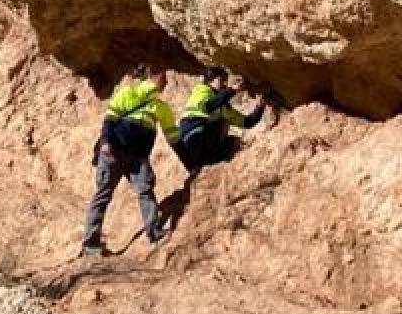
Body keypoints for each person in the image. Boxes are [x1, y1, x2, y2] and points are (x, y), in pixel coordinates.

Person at [81, 65, 179, 256]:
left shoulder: (161, 107)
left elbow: (174, 140)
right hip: (114, 152)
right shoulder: (128, 92)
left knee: (145, 191)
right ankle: (90, 244)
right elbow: (109, 120)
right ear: (153, 76)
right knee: (103, 195)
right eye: (163, 78)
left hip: (137, 157)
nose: (166, 83)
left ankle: (155, 233)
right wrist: (107, 142)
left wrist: (192, 164)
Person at [176, 66, 268, 173]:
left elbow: (248, 122)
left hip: (203, 151)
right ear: (210, 80)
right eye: (221, 80)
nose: (224, 84)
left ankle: (216, 169)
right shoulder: (202, 89)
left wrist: (261, 106)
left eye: (225, 80)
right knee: (223, 122)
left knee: (234, 141)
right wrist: (232, 90)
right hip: (195, 138)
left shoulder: (222, 107)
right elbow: (209, 106)